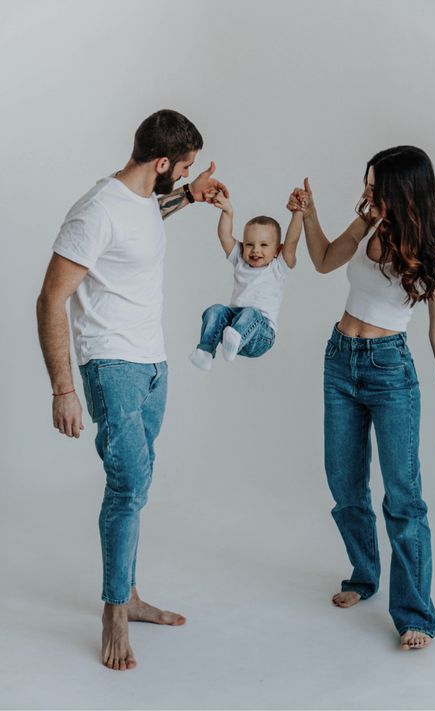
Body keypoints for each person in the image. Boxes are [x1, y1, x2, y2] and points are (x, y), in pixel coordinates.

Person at [36, 109, 228, 671]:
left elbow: (146, 220)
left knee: (137, 485)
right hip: (111, 365)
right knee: (127, 485)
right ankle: (114, 612)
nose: (184, 173)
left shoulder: (144, 199)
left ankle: (130, 592)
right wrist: (62, 390)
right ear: (161, 162)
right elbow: (50, 300)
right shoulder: (95, 210)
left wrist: (190, 195)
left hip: (153, 366)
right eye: (183, 167)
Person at [289, 146, 435, 650]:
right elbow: (322, 261)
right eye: (367, 184)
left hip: (390, 372)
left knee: (403, 499)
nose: (366, 193)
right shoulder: (367, 222)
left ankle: (414, 614)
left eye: (375, 186)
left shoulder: (433, 246)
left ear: (403, 190)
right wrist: (308, 213)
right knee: (344, 483)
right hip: (340, 360)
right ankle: (364, 575)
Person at [189, 189, 305, 370]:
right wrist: (227, 211)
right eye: (249, 244)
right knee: (215, 310)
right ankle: (205, 352)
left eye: (264, 245)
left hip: (260, 334)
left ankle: (235, 336)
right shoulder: (240, 260)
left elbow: (292, 241)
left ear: (277, 250)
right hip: (233, 327)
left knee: (251, 312)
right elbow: (224, 235)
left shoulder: (278, 266)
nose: (255, 250)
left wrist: (298, 212)